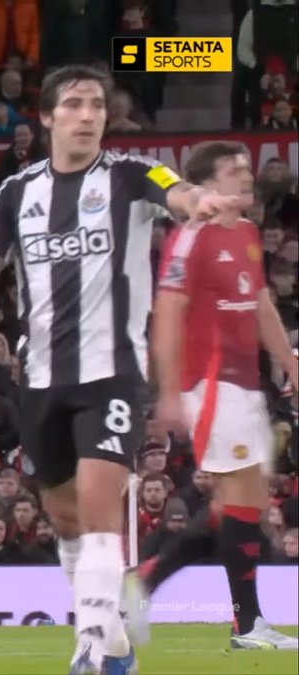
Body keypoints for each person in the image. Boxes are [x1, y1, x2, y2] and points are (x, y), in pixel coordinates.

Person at [0, 64, 242, 675]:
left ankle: (87, 644)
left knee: (98, 502)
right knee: (65, 517)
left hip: (112, 373)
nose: (87, 115)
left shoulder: (132, 175)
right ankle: (115, 644)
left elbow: (178, 193)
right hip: (40, 377)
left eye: (97, 106)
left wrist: (201, 202)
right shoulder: (16, 192)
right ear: (47, 117)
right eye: (74, 104)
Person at [123, 141, 299, 649]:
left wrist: (290, 363)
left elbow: (260, 303)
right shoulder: (190, 237)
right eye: (234, 169)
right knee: (240, 501)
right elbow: (168, 315)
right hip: (210, 384)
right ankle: (244, 623)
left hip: (245, 384)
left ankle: (148, 581)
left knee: (240, 506)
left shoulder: (245, 232)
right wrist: (170, 391)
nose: (246, 174)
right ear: (206, 184)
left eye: (246, 167)